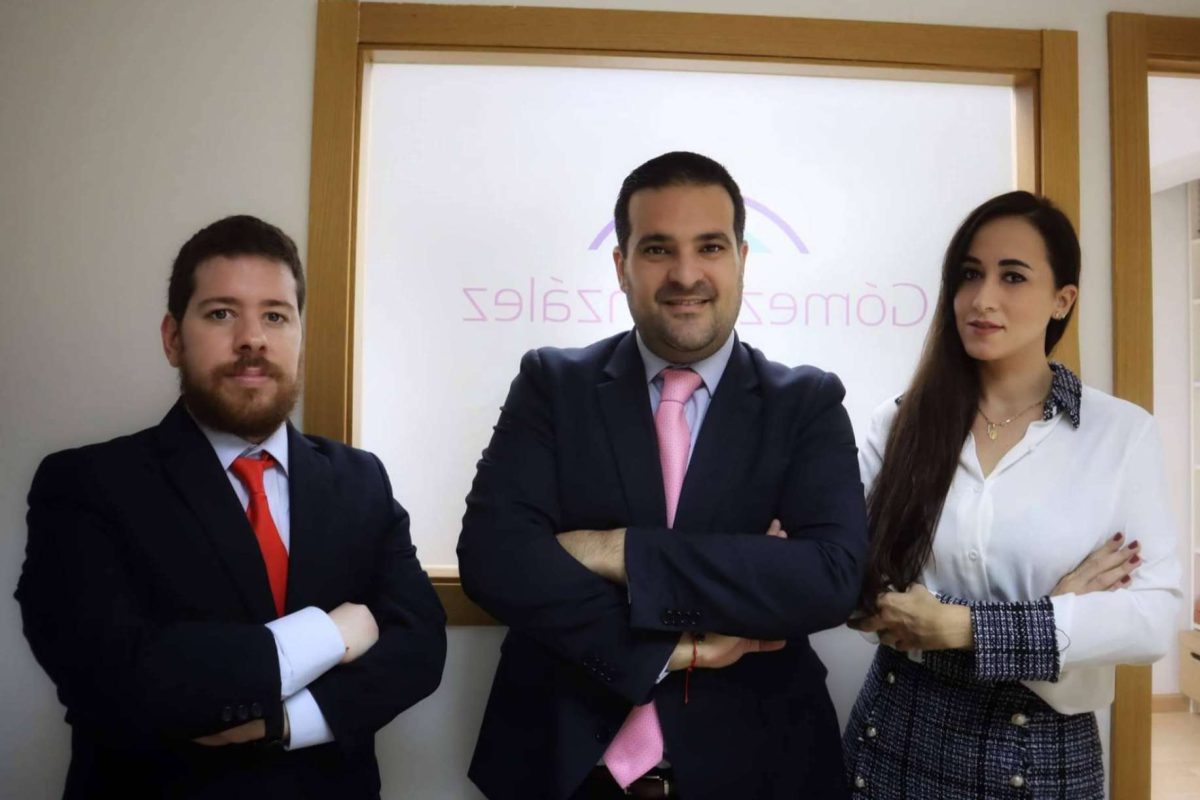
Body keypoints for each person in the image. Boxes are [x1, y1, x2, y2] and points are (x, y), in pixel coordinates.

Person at [458, 151, 867, 800]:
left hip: (757, 772)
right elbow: (492, 558)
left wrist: (615, 551)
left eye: (710, 247)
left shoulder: (806, 403)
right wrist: (681, 635)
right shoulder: (552, 385)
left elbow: (830, 581)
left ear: (741, 260)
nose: (685, 274)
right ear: (622, 266)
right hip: (563, 769)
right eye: (657, 249)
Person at [15, 215, 447, 799]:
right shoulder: (86, 485)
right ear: (173, 338)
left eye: (276, 315)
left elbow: (419, 646)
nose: (252, 339)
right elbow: (110, 673)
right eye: (221, 313)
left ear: (299, 336)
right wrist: (329, 632)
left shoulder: (360, 479)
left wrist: (285, 722)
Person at [845, 191, 1181, 799]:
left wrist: (959, 625)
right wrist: (1055, 615)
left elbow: (1151, 619)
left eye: (1013, 276)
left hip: (1039, 756)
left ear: (1062, 299)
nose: (982, 299)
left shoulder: (1120, 433)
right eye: (969, 274)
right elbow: (859, 591)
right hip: (895, 740)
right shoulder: (898, 423)